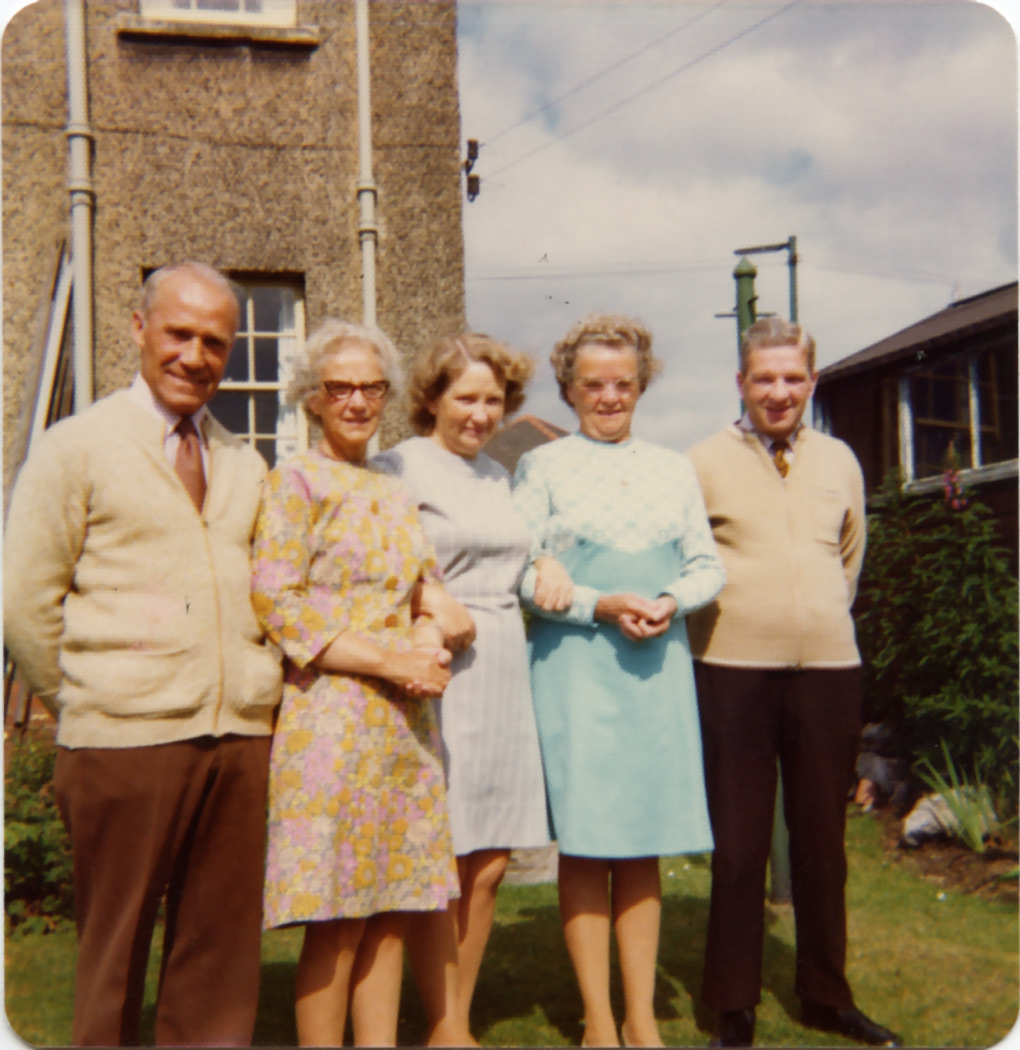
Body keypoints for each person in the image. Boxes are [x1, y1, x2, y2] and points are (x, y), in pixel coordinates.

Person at [3, 262, 284, 1046]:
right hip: (121, 743)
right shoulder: (76, 446)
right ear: (138, 328)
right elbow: (24, 601)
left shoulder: (243, 461)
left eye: (214, 342)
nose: (195, 356)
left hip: (238, 740)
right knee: (113, 954)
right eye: (179, 334)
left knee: (220, 957)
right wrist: (91, 700)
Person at [687, 317, 901, 1049]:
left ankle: (825, 996)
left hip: (829, 674)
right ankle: (733, 1006)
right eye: (763, 378)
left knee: (822, 846)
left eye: (792, 378)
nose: (778, 392)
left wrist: (813, 620)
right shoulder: (701, 462)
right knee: (739, 847)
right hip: (732, 670)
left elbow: (849, 558)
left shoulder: (840, 459)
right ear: (741, 384)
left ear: (811, 382)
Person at [512, 315, 725, 1048]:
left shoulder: (672, 468)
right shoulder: (541, 467)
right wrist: (595, 604)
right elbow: (518, 572)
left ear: (642, 386)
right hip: (576, 672)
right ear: (569, 389)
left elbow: (707, 565)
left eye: (624, 384)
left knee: (641, 843)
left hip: (653, 670)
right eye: (593, 384)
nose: (609, 397)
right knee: (586, 840)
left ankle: (641, 1018)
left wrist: (670, 601)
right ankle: (598, 1021)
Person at [251, 319, 461, 1048]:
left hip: (403, 725)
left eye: (371, 388)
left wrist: (428, 640)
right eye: (339, 388)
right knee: (338, 916)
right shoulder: (294, 481)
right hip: (331, 718)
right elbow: (278, 601)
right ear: (312, 397)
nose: (357, 401)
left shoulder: (394, 489)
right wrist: (392, 662)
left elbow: (426, 588)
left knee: (392, 906)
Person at [373, 332, 551, 1046]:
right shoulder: (398, 467)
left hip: (503, 661)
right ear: (433, 399)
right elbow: (375, 562)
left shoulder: (498, 476)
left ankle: (458, 1017)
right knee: (443, 852)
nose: (481, 414)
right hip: (440, 665)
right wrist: (427, 597)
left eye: (493, 400)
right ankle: (444, 1024)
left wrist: (546, 566)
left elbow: (520, 558)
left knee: (492, 857)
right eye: (466, 398)